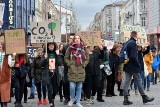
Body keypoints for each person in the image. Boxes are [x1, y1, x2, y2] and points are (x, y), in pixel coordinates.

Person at [123, 31, 154, 105]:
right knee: (139, 81)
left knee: (127, 82)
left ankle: (125, 99)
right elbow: (133, 56)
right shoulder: (133, 43)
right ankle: (144, 97)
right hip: (133, 66)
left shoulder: (127, 42)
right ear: (136, 35)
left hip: (127, 65)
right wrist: (138, 65)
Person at [65, 35, 89, 107]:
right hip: (72, 70)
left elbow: (87, 58)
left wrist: (83, 65)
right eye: (75, 38)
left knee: (79, 87)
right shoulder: (70, 48)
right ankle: (72, 99)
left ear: (80, 39)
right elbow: (66, 58)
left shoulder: (84, 48)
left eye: (78, 38)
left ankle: (78, 101)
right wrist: (69, 64)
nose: (77, 39)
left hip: (80, 70)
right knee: (72, 86)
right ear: (74, 40)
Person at [41, 42, 59, 107]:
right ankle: (51, 102)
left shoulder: (56, 53)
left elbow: (60, 63)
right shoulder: (45, 54)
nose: (51, 46)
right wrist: (45, 59)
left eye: (52, 45)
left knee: (55, 89)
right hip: (47, 73)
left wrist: (58, 55)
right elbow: (41, 64)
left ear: (54, 46)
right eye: (50, 45)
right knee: (49, 88)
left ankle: (53, 97)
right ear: (47, 46)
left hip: (55, 73)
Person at [0, 41, 16, 107]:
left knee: (5, 95)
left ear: (4, 46)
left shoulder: (7, 55)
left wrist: (13, 57)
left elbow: (11, 64)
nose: (0, 45)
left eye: (1, 44)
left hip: (5, 78)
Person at [62, 33, 75, 105]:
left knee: (74, 83)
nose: (71, 40)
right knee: (66, 83)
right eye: (70, 38)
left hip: (75, 68)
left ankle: (73, 98)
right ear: (68, 39)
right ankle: (67, 97)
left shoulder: (77, 47)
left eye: (73, 39)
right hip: (67, 68)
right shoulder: (65, 47)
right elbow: (62, 57)